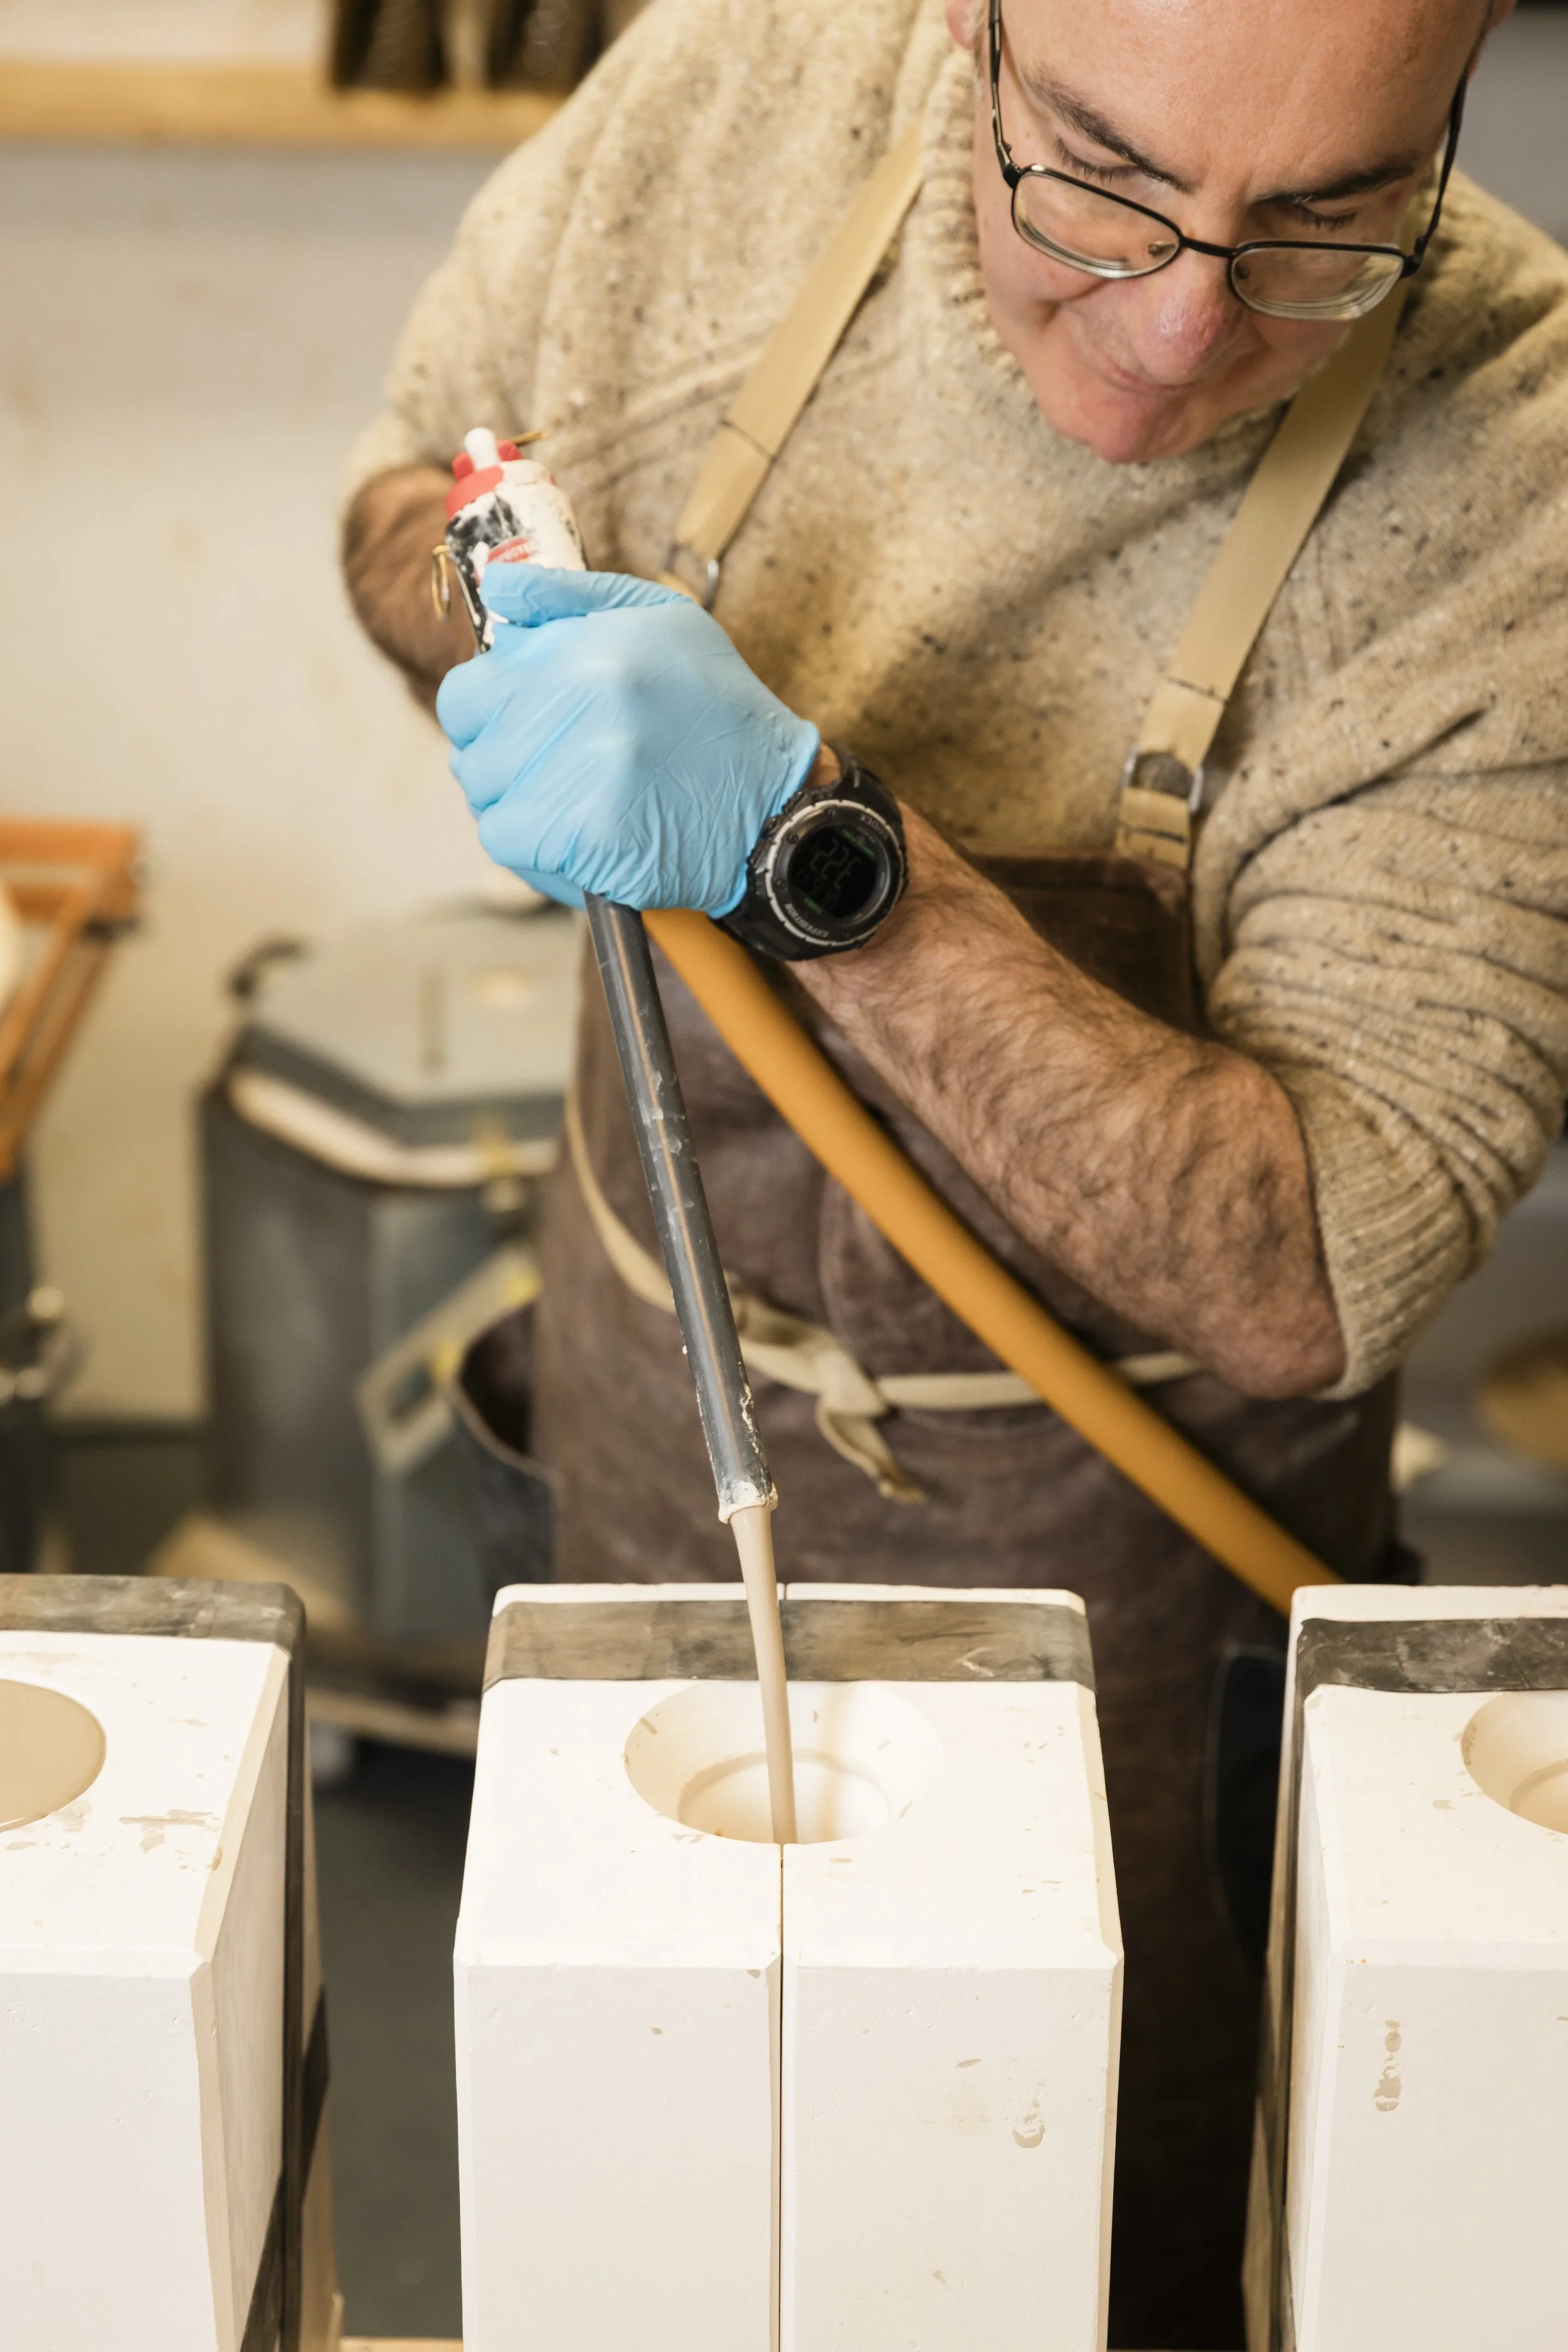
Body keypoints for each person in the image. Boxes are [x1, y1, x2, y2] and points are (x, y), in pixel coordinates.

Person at [342, 1, 1568, 2339]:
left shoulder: (1515, 465)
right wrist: (499, 622)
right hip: (653, 1389)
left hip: (1119, 1569)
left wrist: (832, 860)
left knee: (1061, 2201)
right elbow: (404, 494)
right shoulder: (728, 101)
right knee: (642, 2148)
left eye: (1325, 220)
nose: (1179, 320)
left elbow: (1321, 1252)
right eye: (1090, 171)